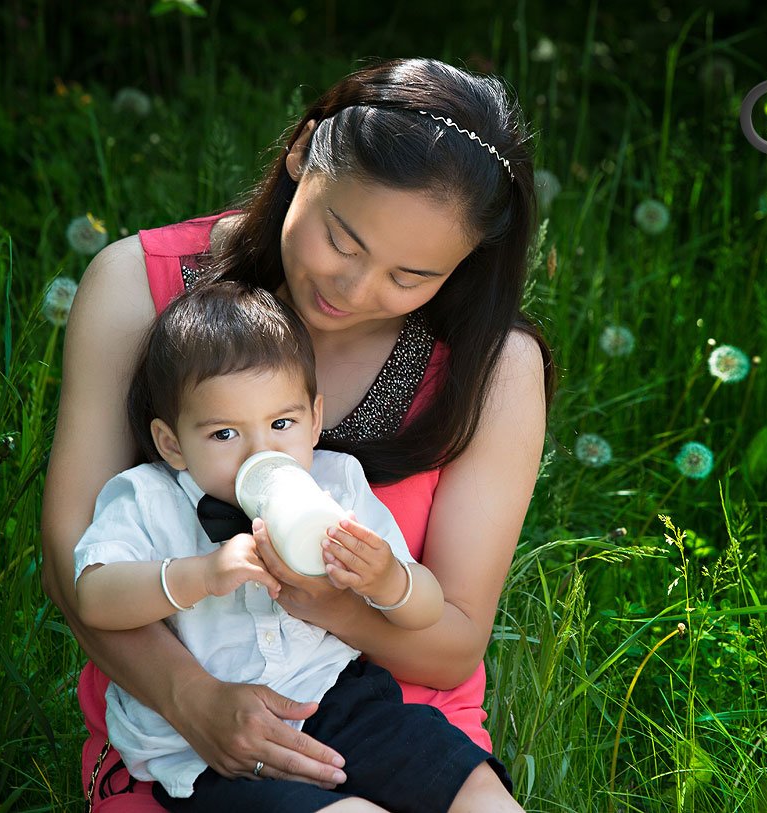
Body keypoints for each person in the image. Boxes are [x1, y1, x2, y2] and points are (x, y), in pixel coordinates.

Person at [40, 57, 550, 812]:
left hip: (392, 710)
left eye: (409, 276)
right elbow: (70, 565)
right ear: (302, 150)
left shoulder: (493, 367)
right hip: (189, 731)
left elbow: (453, 644)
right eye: (342, 239)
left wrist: (340, 598)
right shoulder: (136, 288)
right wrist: (195, 699)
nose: (353, 288)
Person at [74, 282, 509, 813]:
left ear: (314, 419)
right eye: (224, 435)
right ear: (172, 443)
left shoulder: (336, 485)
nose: (262, 451)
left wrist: (387, 580)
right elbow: (93, 599)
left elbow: (427, 608)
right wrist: (199, 576)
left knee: (473, 785)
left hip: (341, 698)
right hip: (212, 747)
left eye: (282, 424)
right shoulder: (147, 497)